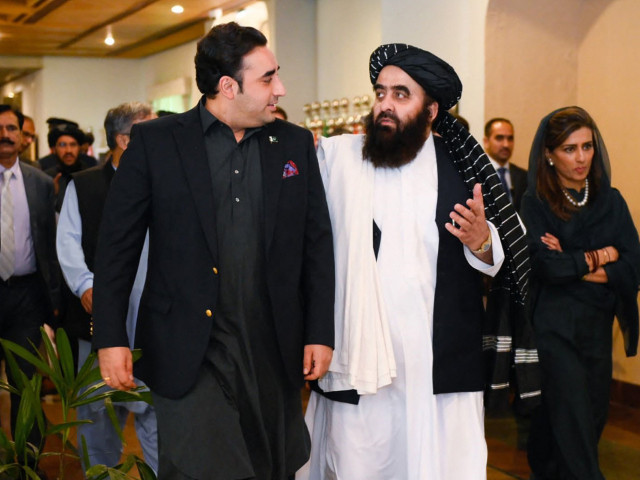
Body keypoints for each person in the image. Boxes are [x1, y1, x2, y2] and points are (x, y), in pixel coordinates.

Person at [92, 22, 335, 480]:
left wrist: (320, 330)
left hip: (271, 349)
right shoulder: (157, 142)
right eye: (267, 79)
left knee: (269, 468)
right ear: (227, 86)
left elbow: (316, 244)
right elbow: (116, 249)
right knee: (212, 468)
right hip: (188, 349)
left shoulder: (295, 144)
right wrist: (110, 338)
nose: (280, 89)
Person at [299, 44, 534, 480]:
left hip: (436, 361)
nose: (385, 105)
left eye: (401, 94)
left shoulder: (463, 169)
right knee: (360, 463)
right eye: (380, 92)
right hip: (362, 357)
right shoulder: (340, 159)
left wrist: (481, 241)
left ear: (431, 110)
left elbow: (501, 256)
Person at [521, 106, 640, 480]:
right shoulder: (535, 202)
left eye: (587, 146)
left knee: (590, 418)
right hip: (555, 327)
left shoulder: (611, 200)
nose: (582, 157)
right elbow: (547, 268)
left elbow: (633, 266)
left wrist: (574, 261)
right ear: (549, 154)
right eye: (570, 149)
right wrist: (605, 255)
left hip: (596, 326)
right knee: (572, 419)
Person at [56, 102, 158, 472]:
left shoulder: (167, 182)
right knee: (97, 420)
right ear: (123, 139)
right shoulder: (83, 186)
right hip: (97, 319)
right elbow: (67, 241)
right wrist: (84, 286)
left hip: (153, 321)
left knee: (155, 417)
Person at [0, 104, 60, 451]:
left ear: (23, 137)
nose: (5, 135)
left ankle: (29, 465)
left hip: (26, 298)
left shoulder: (40, 184)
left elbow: (49, 246)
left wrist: (55, 304)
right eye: (1, 128)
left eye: (12, 128)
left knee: (26, 386)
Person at [44, 126, 93, 211]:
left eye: (73, 145)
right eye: (62, 145)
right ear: (54, 149)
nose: (68, 151)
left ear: (79, 148)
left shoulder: (91, 176)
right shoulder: (46, 178)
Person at [484, 117, 527, 211]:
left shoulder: (524, 176)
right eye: (499, 138)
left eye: (510, 138)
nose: (506, 145)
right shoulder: (478, 174)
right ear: (486, 142)